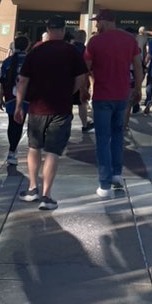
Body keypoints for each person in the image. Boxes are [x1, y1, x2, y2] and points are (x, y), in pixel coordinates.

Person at [15, 15, 89, 210]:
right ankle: (47, 195)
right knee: (53, 152)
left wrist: (18, 105)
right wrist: (68, 92)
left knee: (34, 147)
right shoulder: (71, 51)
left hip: (37, 108)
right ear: (63, 30)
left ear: (47, 29)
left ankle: (32, 188)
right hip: (61, 108)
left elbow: (23, 80)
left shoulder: (36, 51)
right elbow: (81, 78)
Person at [85, 9, 143, 197]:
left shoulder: (95, 42)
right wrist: (139, 88)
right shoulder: (129, 40)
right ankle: (116, 174)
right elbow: (137, 66)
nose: (96, 25)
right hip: (122, 94)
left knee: (103, 139)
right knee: (118, 135)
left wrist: (83, 88)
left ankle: (104, 184)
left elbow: (85, 67)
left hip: (103, 95)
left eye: (97, 21)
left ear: (104, 21)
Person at [0, 35, 30, 165]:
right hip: (26, 98)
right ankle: (12, 151)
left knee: (11, 124)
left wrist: (0, 97)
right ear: (27, 46)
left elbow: (2, 81)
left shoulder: (7, 62)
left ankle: (12, 151)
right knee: (19, 125)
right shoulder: (30, 61)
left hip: (10, 97)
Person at [71, 29, 93, 131]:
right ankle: (84, 125)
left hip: (69, 80)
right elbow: (89, 67)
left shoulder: (69, 48)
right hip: (82, 81)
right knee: (82, 103)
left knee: (68, 103)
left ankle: (66, 125)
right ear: (84, 38)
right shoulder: (86, 50)